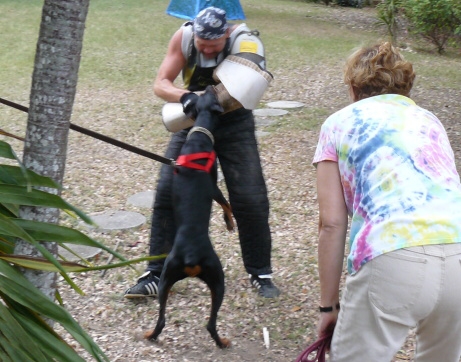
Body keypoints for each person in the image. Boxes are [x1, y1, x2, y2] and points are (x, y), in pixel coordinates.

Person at [312, 41, 461, 361]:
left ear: (352, 87)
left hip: (391, 253)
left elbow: (332, 223)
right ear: (406, 86)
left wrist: (328, 306)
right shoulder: (430, 120)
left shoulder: (337, 123)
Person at [124, 7, 280, 299]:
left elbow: (252, 83)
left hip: (235, 123)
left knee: (250, 197)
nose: (207, 49)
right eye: (201, 43)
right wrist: (186, 97)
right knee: (169, 192)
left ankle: (261, 273)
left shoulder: (245, 42)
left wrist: (207, 99)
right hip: (193, 119)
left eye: (214, 44)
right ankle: (155, 273)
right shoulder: (183, 38)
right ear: (194, 34)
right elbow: (161, 83)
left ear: (226, 35)